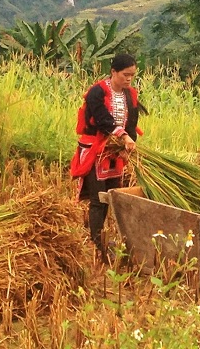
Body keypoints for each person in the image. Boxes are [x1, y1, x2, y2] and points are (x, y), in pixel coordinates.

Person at [70, 54, 143, 261]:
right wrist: (123, 136)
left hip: (114, 152)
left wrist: (128, 144)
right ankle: (96, 242)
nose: (128, 79)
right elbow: (103, 120)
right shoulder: (97, 92)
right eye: (125, 75)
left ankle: (104, 236)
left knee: (113, 196)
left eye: (132, 75)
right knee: (98, 199)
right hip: (96, 150)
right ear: (113, 72)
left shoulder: (131, 95)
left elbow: (131, 123)